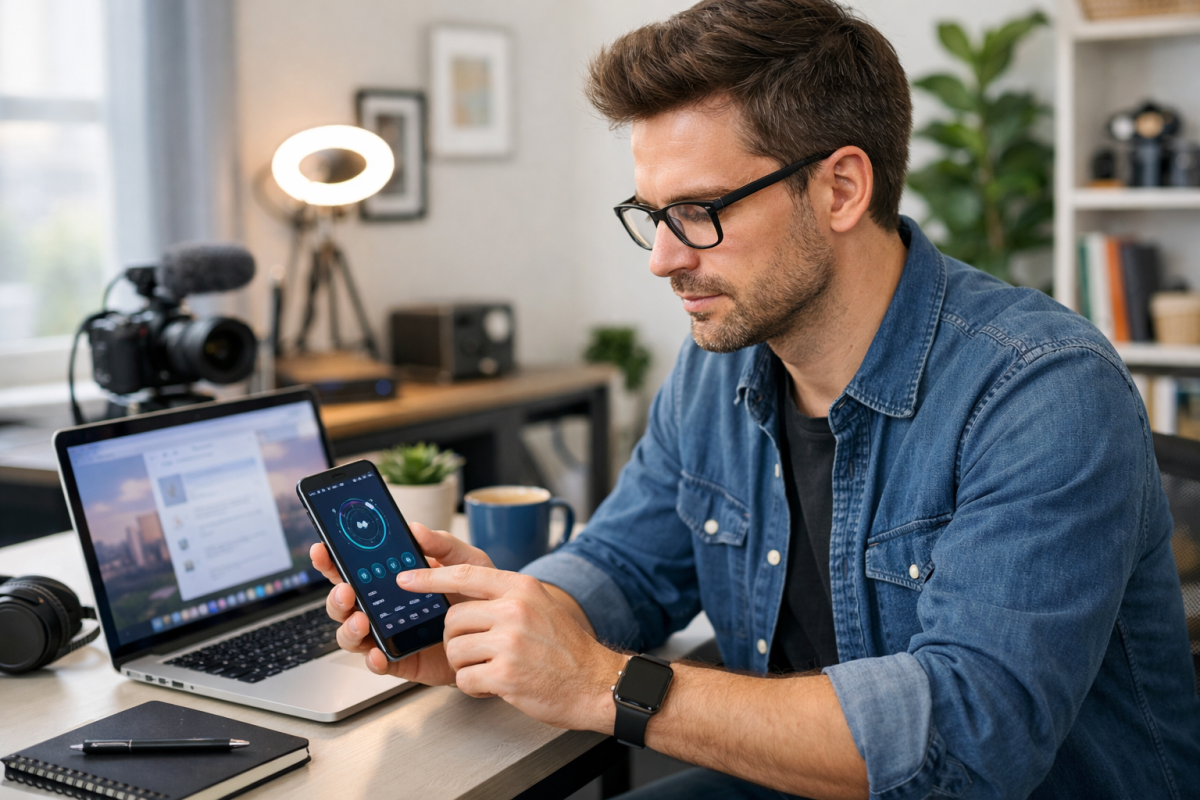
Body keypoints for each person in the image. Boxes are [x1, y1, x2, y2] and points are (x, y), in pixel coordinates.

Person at [311, 1, 1200, 797]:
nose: (663, 259)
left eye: (700, 211)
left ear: (842, 187)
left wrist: (599, 682)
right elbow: (627, 563)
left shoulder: (1041, 389)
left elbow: (970, 741)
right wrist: (503, 620)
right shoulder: (721, 361)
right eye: (651, 215)